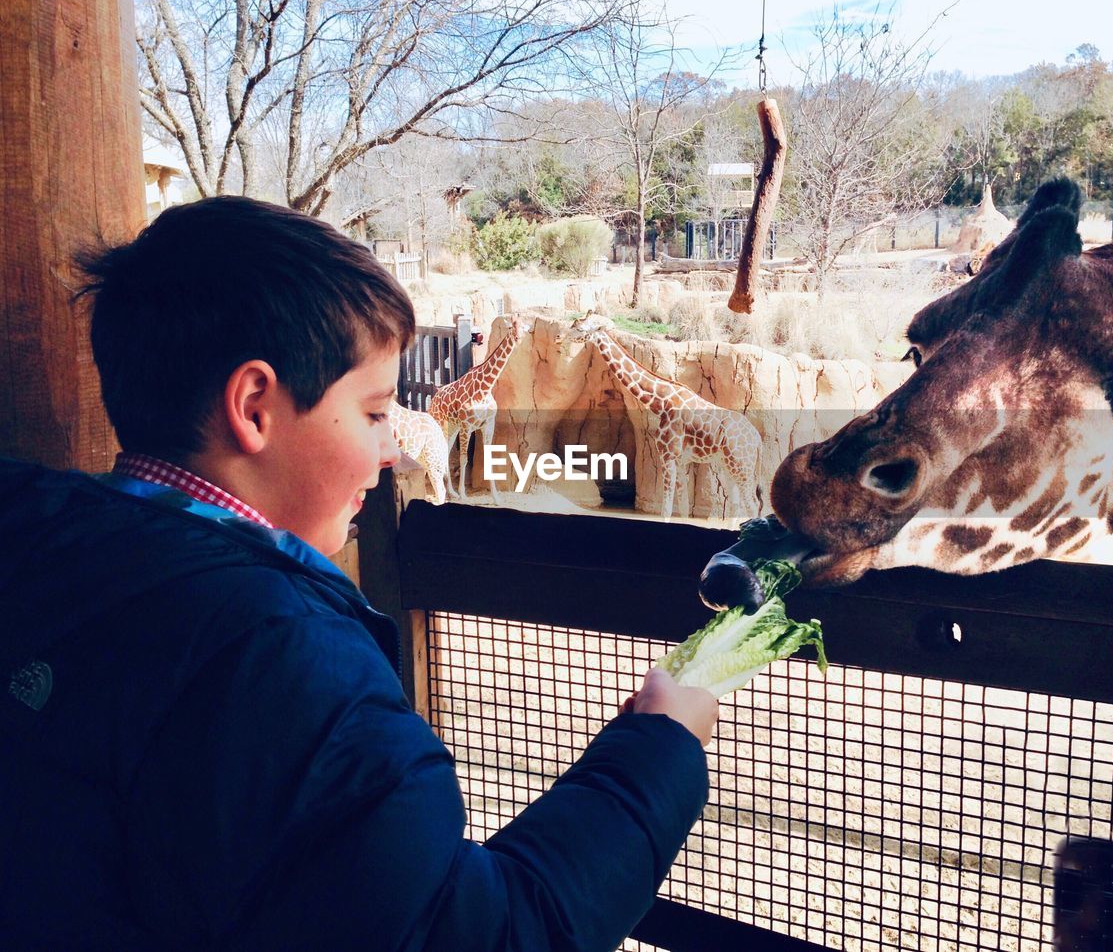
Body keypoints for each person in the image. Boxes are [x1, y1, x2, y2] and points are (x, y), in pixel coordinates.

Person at [0, 197, 718, 952]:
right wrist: (658, 750)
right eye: (375, 412)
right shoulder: (284, 664)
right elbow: (481, 937)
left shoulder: (38, 538)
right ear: (254, 407)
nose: (391, 452)